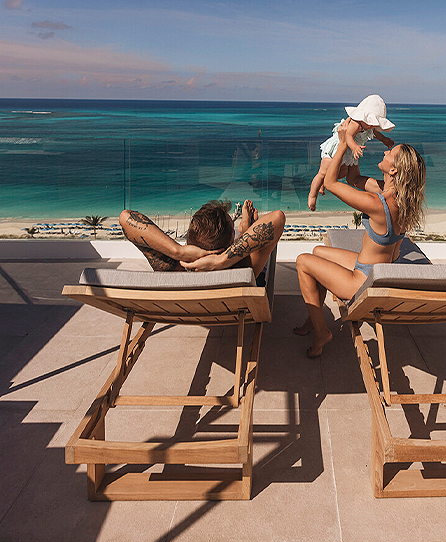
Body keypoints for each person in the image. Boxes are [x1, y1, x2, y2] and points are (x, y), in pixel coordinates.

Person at [296, 119, 425, 357]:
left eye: (390, 154)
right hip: (378, 271)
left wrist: (343, 143)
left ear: (394, 170)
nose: (385, 151)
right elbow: (354, 180)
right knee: (318, 252)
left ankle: (322, 332)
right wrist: (353, 144)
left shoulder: (378, 204)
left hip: (363, 283)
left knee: (303, 261)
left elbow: (330, 183)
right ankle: (313, 319)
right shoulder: (402, 199)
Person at [119, 199, 285, 283]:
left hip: (188, 304)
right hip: (236, 299)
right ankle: (246, 229)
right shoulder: (243, 267)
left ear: (189, 242)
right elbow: (278, 217)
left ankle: (245, 228)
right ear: (232, 243)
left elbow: (125, 217)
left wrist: (178, 251)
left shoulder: (175, 269)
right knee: (259, 246)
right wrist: (221, 260)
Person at [307, 94, 395, 210]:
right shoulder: (356, 123)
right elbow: (347, 136)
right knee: (322, 173)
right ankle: (312, 195)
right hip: (336, 150)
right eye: (371, 122)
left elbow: (374, 133)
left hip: (348, 152)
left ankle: (323, 183)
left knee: (342, 174)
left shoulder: (368, 126)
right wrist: (354, 147)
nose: (372, 126)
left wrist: (384, 139)